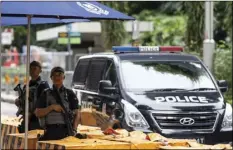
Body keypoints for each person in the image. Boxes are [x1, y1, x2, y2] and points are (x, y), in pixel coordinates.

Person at [35, 66, 80, 141]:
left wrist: (74, 130)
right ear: (51, 78)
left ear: (64, 77)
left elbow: (77, 113)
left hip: (66, 131)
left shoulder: (70, 93)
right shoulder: (45, 93)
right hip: (50, 131)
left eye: (59, 74)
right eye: (54, 75)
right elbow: (37, 113)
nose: (57, 77)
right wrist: (51, 107)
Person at [15, 61, 50, 133]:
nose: (32, 71)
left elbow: (45, 102)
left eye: (34, 68)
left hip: (38, 120)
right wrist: (19, 101)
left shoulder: (43, 85)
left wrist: (31, 113)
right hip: (26, 119)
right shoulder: (26, 86)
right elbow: (24, 101)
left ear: (40, 70)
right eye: (30, 69)